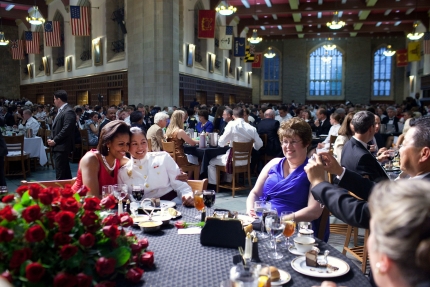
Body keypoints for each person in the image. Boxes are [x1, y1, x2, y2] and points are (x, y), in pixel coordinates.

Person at [246, 118, 327, 240]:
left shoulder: (314, 170)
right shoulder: (273, 163)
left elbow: (314, 211)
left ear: (306, 143)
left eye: (293, 141)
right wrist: (251, 209)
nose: (288, 146)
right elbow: (255, 192)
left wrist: (281, 220)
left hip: (292, 229)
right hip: (262, 224)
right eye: (284, 141)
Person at [118, 127, 194, 206]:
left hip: (173, 205)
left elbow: (181, 185)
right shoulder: (123, 172)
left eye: (143, 142)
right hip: (144, 212)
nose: (140, 147)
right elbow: (125, 198)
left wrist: (187, 196)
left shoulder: (163, 158)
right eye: (134, 144)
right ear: (127, 147)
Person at [72, 120, 131, 197]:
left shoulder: (119, 159)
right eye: (121, 144)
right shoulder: (91, 160)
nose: (125, 149)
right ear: (108, 143)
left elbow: (139, 163)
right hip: (76, 204)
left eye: (127, 144)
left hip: (104, 207)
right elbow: (92, 197)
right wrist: (118, 196)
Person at [208, 107, 263, 185]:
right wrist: (252, 146)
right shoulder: (252, 128)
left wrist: (226, 141)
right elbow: (260, 144)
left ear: (233, 116)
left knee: (211, 162)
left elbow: (221, 143)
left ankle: (214, 184)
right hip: (246, 160)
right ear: (243, 115)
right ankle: (228, 181)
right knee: (227, 156)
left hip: (233, 160)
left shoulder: (231, 125)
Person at [341, 111, 389, 182]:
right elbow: (376, 183)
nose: (377, 127)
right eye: (374, 124)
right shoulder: (363, 156)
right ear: (370, 128)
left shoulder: (348, 144)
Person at [47, 90, 77, 180]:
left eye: (54, 99)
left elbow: (66, 129)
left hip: (62, 145)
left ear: (59, 99)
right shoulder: (61, 110)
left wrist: (55, 140)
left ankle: (60, 192)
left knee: (60, 173)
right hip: (59, 145)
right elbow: (57, 127)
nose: (54, 101)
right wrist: (51, 138)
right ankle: (68, 190)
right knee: (65, 172)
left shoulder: (68, 111)